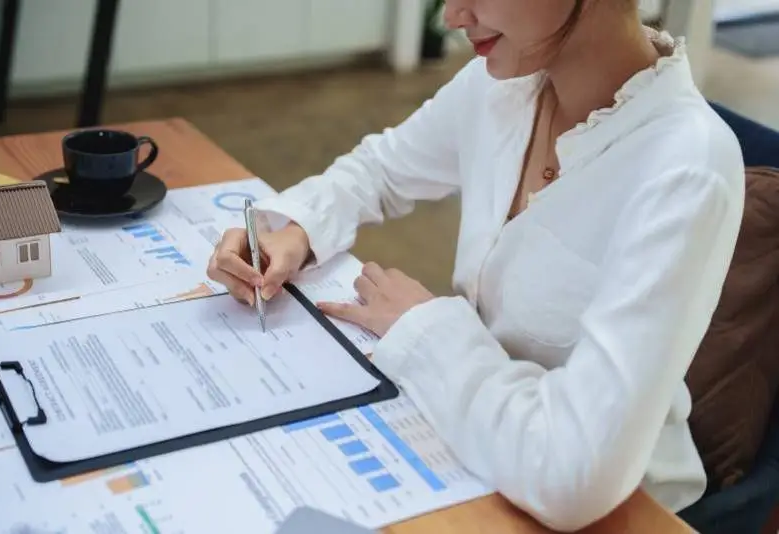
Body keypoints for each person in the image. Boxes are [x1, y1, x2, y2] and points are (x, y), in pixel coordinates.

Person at [207, 0, 745, 530]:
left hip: (618, 510)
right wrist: (296, 231)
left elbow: (573, 474)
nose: (451, 16)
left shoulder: (686, 167)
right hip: (476, 451)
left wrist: (424, 330)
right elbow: (380, 171)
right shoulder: (504, 86)